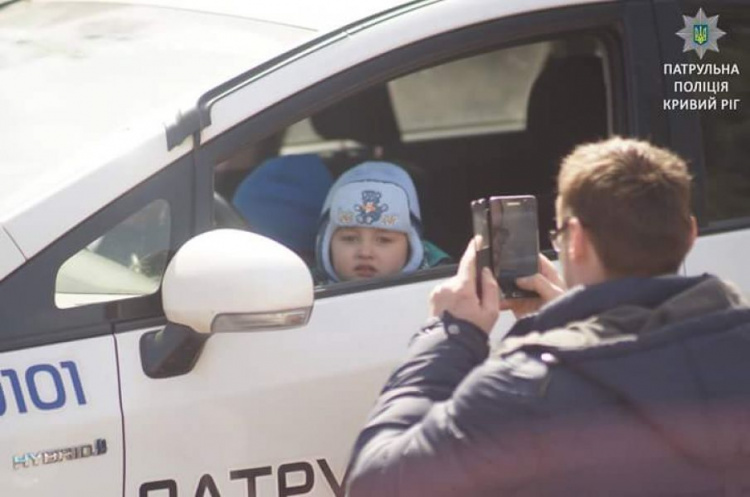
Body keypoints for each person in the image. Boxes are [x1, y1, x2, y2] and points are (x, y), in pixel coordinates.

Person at [346, 137, 750, 496]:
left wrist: (451, 334)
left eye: (557, 234)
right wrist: (570, 329)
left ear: (574, 240)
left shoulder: (520, 390)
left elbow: (375, 484)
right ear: (690, 232)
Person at [316, 161, 450, 283]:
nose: (365, 253)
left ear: (411, 247)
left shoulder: (440, 294)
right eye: (350, 238)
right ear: (325, 244)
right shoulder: (302, 296)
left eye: (384, 240)